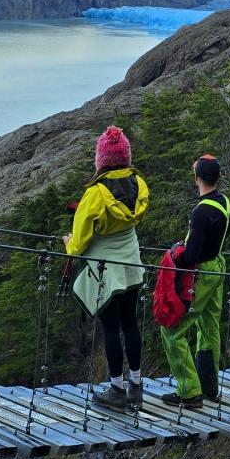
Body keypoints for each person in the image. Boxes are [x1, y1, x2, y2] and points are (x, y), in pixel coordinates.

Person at [63, 126, 149, 410]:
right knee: (130, 324)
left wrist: (69, 244)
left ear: (101, 159)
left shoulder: (95, 194)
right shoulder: (139, 183)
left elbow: (79, 242)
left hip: (105, 271)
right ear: (126, 156)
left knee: (110, 329)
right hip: (131, 265)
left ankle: (116, 389)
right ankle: (136, 385)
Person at [160, 154, 230, 408]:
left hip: (201, 274)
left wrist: (176, 251)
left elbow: (191, 255)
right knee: (209, 326)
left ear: (196, 178)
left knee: (172, 331)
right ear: (219, 177)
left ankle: (189, 391)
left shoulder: (201, 212)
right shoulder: (225, 203)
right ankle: (209, 387)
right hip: (218, 267)